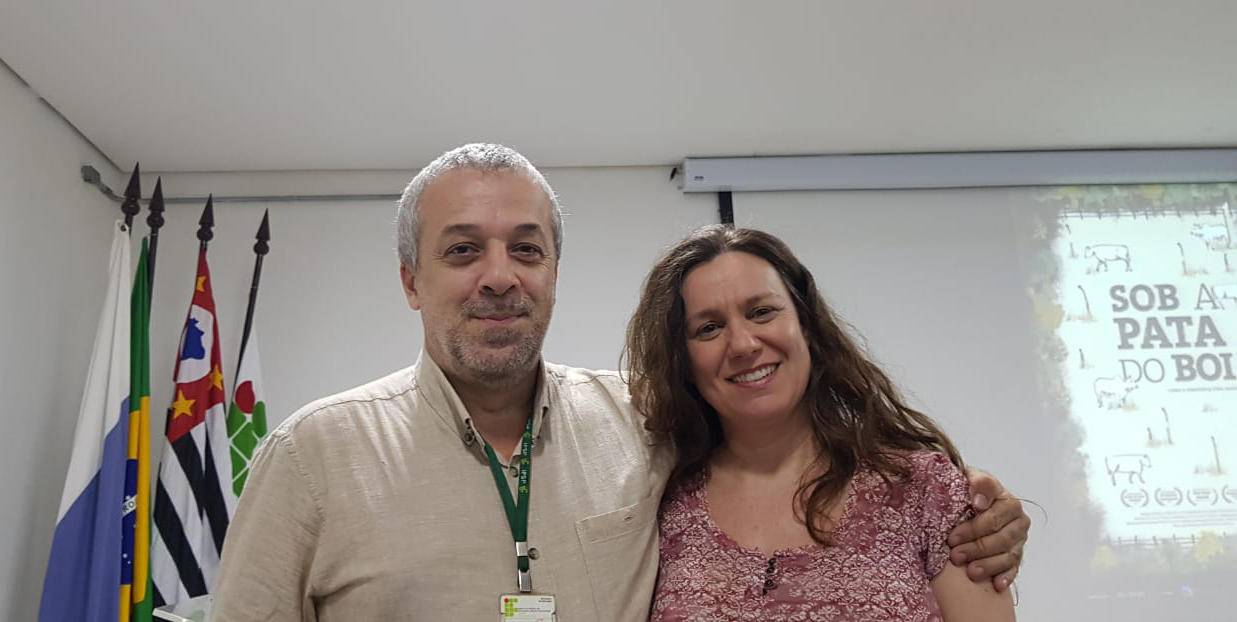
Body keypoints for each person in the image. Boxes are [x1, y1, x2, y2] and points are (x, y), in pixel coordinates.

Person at [211, 144, 1028, 621]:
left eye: (526, 249)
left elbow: (770, 427)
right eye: (463, 250)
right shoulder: (313, 456)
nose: (500, 277)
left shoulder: (644, 427)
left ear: (556, 272)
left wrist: (985, 503)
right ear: (409, 280)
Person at [624, 225, 1016, 621]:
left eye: (762, 312)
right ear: (683, 361)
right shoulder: (656, 505)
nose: (743, 344)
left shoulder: (924, 491)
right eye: (709, 328)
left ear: (805, 324)